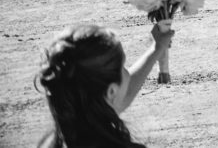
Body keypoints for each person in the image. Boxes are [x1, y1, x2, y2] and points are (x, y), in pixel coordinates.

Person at [36, 23, 175, 148]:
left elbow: (118, 94)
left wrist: (157, 48)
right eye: (123, 67)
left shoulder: (54, 141)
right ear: (111, 92)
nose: (128, 73)